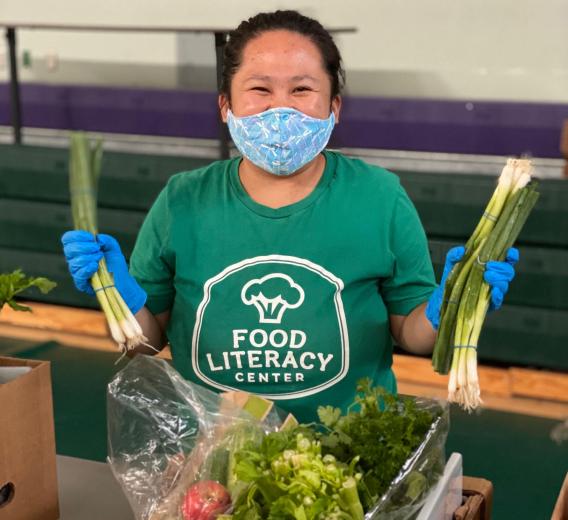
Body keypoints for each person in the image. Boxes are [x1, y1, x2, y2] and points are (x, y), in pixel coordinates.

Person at [61, 10, 517, 423]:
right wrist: (116, 296)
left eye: (302, 89)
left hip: (349, 448)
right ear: (226, 107)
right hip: (211, 450)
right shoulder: (182, 200)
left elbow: (412, 334)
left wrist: (452, 304)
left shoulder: (379, 197)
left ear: (334, 107)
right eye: (259, 89)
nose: (280, 107)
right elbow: (144, 343)